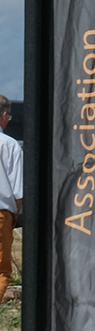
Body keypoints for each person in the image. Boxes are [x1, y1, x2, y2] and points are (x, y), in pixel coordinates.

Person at [0, 96, 19, 300]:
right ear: (4, 115)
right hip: (1, 213)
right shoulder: (9, 145)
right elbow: (18, 190)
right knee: (1, 273)